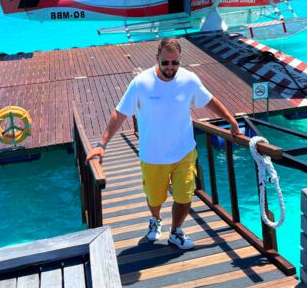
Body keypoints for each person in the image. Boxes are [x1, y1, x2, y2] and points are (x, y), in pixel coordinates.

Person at [86, 38, 240, 250]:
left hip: (184, 152)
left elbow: (209, 100)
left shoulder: (189, 79)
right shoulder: (141, 83)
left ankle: (175, 232)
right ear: (156, 58)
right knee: (155, 199)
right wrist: (102, 144)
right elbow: (120, 113)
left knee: (185, 197)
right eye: (165, 62)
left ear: (180, 60)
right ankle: (155, 219)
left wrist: (231, 120)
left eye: (175, 63)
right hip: (153, 156)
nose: (170, 67)